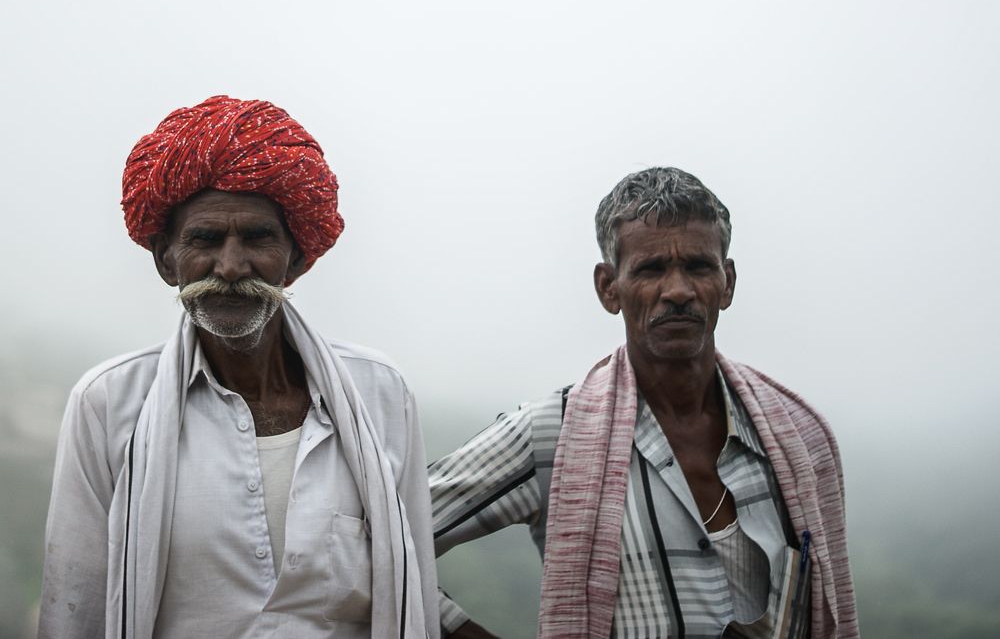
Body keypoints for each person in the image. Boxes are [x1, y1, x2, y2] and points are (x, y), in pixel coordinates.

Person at [39, 96, 439, 639]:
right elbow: (74, 606)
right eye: (204, 240)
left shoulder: (379, 392)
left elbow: (413, 584)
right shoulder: (109, 403)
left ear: (296, 259)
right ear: (166, 260)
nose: (230, 267)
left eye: (257, 238)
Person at [430, 167, 858, 638]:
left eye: (698, 266)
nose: (678, 291)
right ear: (608, 287)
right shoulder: (554, 434)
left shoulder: (798, 437)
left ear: (728, 282)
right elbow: (383, 538)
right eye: (651, 269)